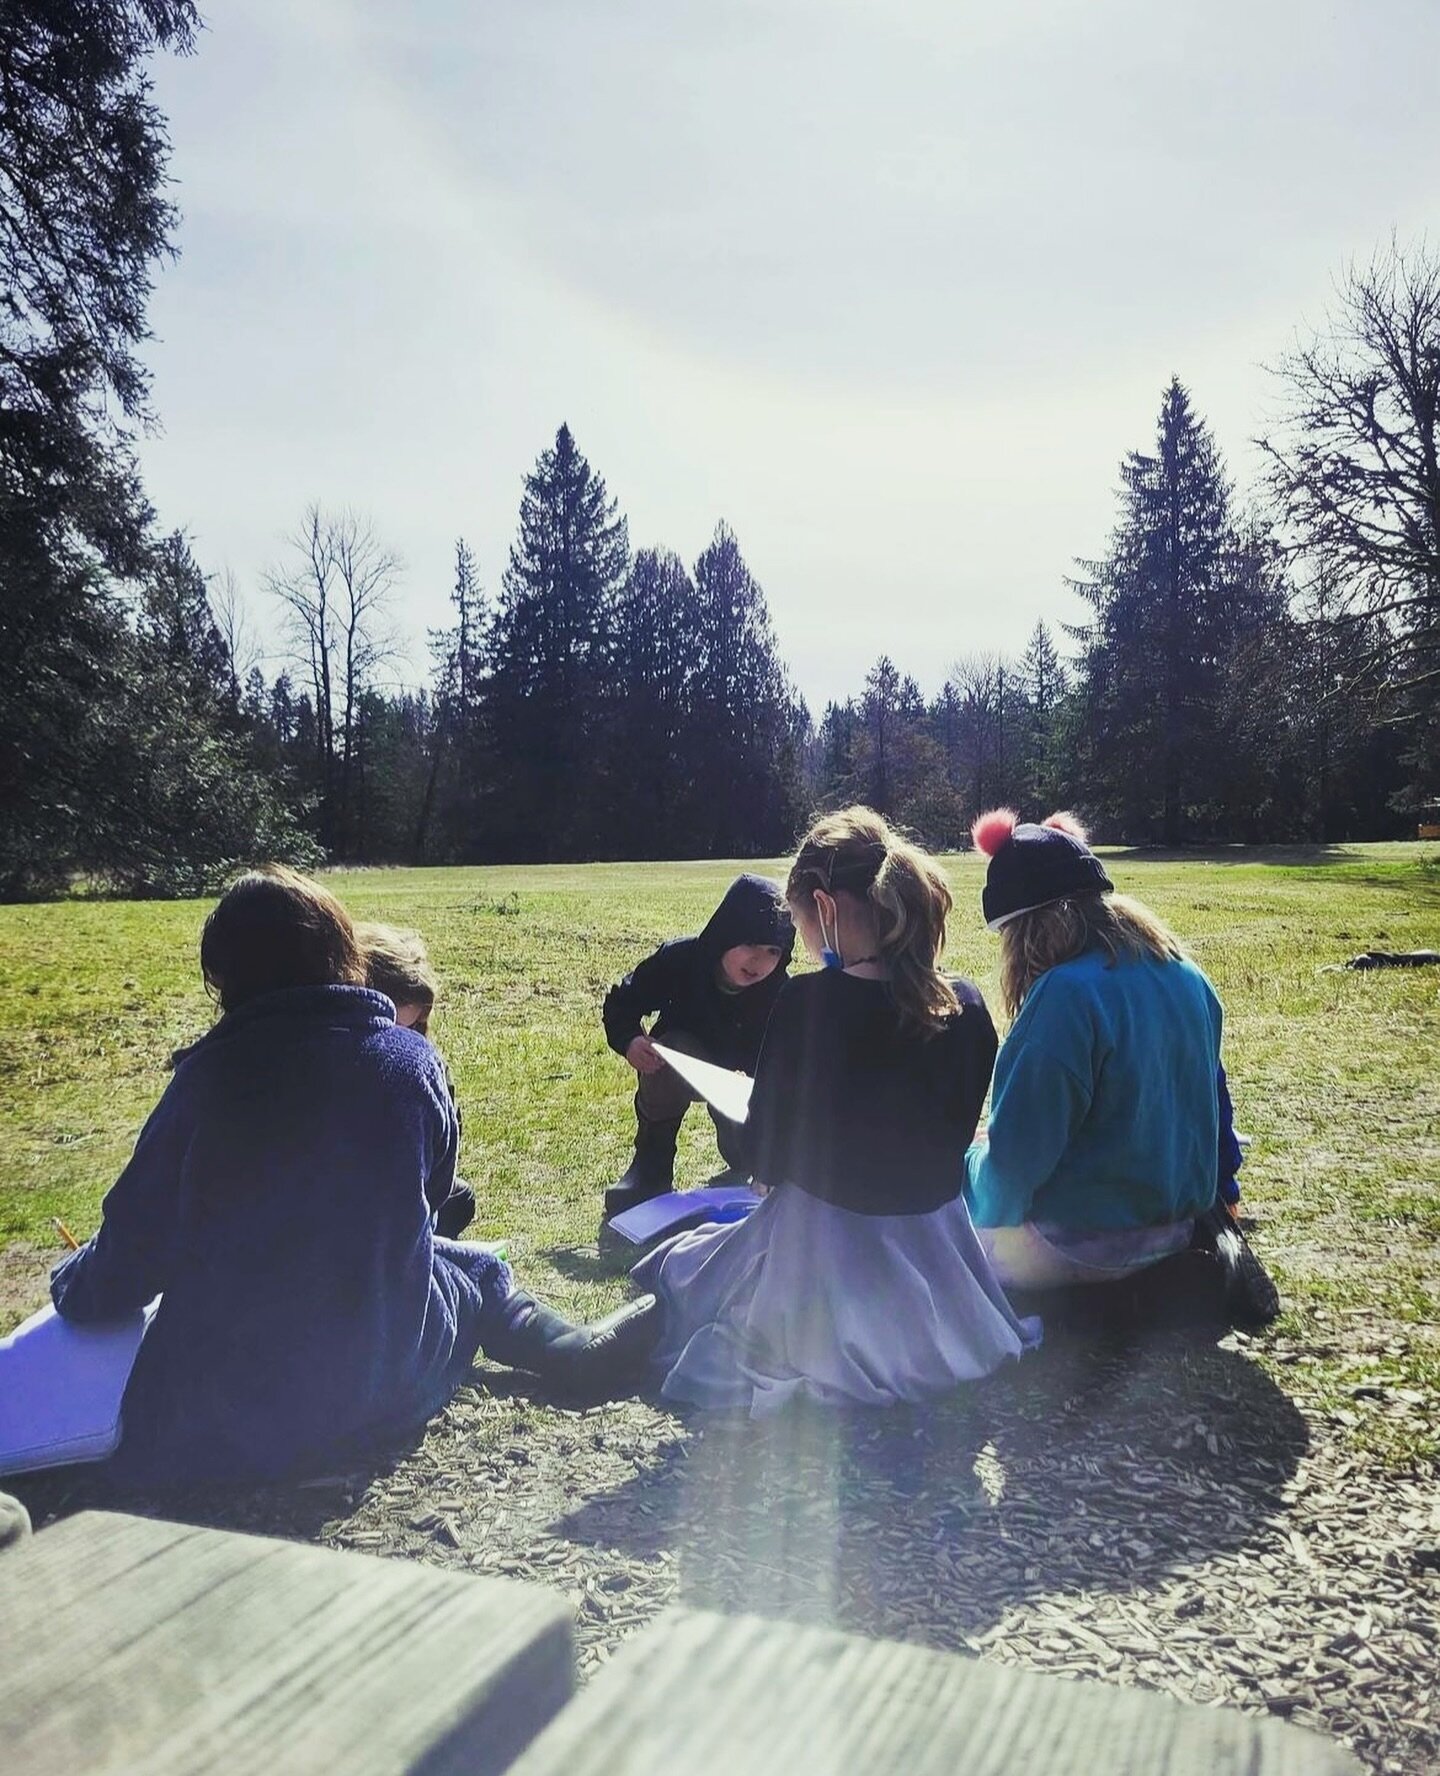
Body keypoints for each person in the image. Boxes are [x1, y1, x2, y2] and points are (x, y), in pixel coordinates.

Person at [49, 867, 658, 1489]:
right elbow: (426, 1205)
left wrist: (73, 1282)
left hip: (230, 1418)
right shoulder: (413, 1061)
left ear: (224, 979)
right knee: (472, 1271)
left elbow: (129, 1260)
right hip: (384, 1383)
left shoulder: (203, 1084)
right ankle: (569, 1351)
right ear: (347, 955)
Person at [631, 808, 1041, 1414]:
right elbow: (952, 1132)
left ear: (824, 907)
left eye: (801, 926)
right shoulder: (969, 1005)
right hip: (939, 1250)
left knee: (689, 1268)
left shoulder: (807, 1001)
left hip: (825, 1243)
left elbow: (765, 1155)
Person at [963, 809, 1278, 1324]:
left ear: (1024, 932)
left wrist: (963, 1164)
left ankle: (1086, 1301)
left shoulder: (1064, 997)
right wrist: (1228, 1196)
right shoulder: (1189, 976)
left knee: (934, 1218)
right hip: (1179, 1233)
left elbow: (1008, 1178)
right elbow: (1215, 1110)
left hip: (1077, 1244)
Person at [601, 874, 795, 1224]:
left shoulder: (782, 992)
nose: (759, 961)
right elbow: (622, 1002)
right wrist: (630, 1040)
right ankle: (651, 1167)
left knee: (748, 1158)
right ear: (727, 934)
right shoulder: (681, 959)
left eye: (772, 952)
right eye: (750, 944)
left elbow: (790, 1067)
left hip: (745, 1093)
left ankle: (750, 1155)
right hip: (681, 1066)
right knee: (670, 1048)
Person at [356, 920, 475, 1239]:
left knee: (459, 1200)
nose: (400, 1044)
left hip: (401, 1195)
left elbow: (439, 1164)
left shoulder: (424, 1065)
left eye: (409, 1030)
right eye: (389, 1029)